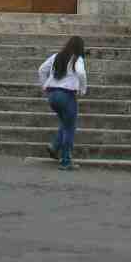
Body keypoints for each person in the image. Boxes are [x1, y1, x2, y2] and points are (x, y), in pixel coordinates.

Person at [38, 36, 87, 171]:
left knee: (66, 124)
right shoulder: (77, 58)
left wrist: (44, 86)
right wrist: (83, 90)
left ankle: (54, 146)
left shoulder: (56, 56)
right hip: (67, 95)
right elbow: (81, 74)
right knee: (70, 128)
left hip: (52, 95)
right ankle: (66, 161)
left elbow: (41, 69)